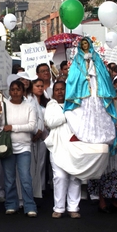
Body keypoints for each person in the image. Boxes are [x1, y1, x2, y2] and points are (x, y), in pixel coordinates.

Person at [0, 80, 38, 217]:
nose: (15, 92)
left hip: (24, 147)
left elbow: (32, 126)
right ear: (9, 91)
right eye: (12, 89)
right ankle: (11, 204)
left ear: (23, 91)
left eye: (18, 89)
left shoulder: (29, 106)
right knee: (9, 179)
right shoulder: (3, 105)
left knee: (25, 178)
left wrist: (13, 127)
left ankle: (29, 206)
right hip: (7, 147)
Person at [64, 37, 116, 147]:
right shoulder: (77, 59)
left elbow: (103, 73)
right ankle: (85, 134)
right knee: (83, 107)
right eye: (83, 44)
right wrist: (83, 76)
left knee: (98, 105)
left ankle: (101, 134)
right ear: (81, 46)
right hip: (83, 88)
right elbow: (73, 75)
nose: (85, 45)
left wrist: (91, 64)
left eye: (86, 43)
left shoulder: (96, 57)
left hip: (96, 85)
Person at [44, 81, 82, 218]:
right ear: (53, 93)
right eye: (57, 90)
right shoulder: (51, 105)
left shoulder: (76, 104)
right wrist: (67, 115)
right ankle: (59, 208)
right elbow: (49, 122)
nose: (60, 92)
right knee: (59, 176)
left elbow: (81, 122)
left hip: (74, 144)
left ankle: (73, 208)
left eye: (63, 89)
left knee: (75, 176)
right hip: (57, 145)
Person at [88, 89, 117, 213]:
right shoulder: (103, 113)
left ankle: (115, 200)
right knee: (103, 173)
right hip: (106, 146)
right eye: (115, 99)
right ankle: (102, 201)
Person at [30, 78, 50, 198]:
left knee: (41, 163)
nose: (40, 88)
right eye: (37, 86)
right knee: (32, 164)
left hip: (43, 137)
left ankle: (41, 188)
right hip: (31, 137)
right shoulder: (29, 101)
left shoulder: (47, 102)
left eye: (42, 86)